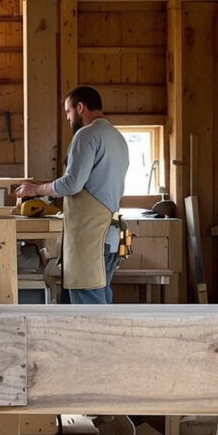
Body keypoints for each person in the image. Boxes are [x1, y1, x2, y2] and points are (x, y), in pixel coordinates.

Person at [14, 86, 130, 305]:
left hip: (91, 239)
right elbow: (90, 184)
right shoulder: (116, 137)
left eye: (68, 112)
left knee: (88, 314)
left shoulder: (86, 134)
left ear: (80, 107)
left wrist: (35, 190)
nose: (68, 118)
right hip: (110, 237)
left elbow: (72, 184)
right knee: (100, 305)